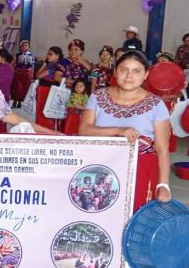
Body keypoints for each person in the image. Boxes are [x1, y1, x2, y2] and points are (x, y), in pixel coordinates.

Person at [79, 50, 170, 211]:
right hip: (101, 167)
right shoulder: (98, 97)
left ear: (146, 74)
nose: (129, 76)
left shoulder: (156, 105)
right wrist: (118, 130)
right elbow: (84, 130)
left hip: (141, 170)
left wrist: (163, 185)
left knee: (136, 215)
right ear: (115, 71)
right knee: (100, 211)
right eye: (123, 70)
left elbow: (162, 149)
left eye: (136, 71)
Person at [34, 46, 66, 130]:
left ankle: (43, 131)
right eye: (48, 54)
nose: (48, 56)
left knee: (43, 112)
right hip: (51, 90)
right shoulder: (59, 65)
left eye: (51, 54)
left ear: (57, 56)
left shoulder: (52, 65)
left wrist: (44, 63)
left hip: (46, 90)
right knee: (49, 112)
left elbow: (38, 75)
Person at [11, 40, 34, 108]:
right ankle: (15, 100)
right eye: (23, 45)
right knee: (17, 87)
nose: (24, 47)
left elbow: (32, 65)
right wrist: (15, 68)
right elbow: (13, 63)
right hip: (18, 73)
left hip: (27, 73)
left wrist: (32, 73)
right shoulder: (18, 54)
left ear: (28, 47)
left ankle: (20, 102)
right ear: (20, 47)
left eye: (26, 45)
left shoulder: (31, 55)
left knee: (24, 88)